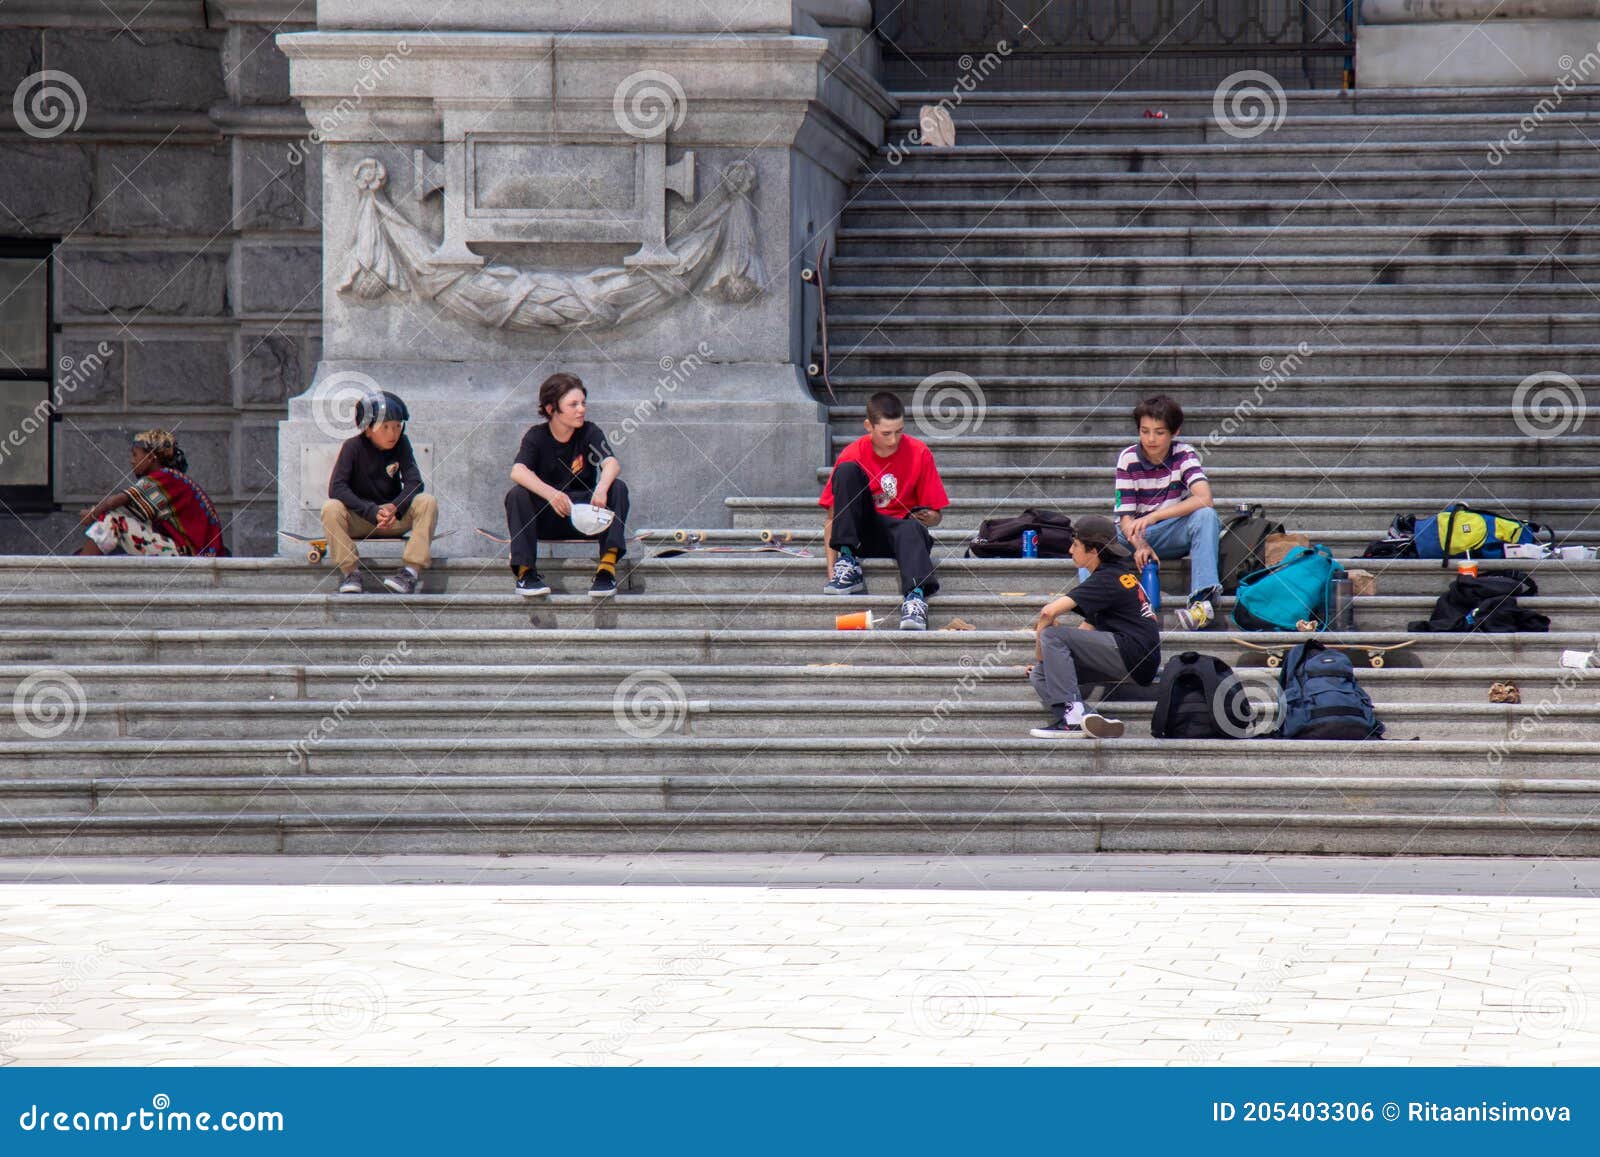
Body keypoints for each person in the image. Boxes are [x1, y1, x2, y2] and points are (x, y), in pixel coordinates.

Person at [818, 391, 948, 631]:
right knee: (847, 471)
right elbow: (831, 517)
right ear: (869, 426)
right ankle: (848, 563)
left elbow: (936, 515)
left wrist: (930, 517)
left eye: (899, 431)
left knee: (911, 527)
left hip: (902, 535)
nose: (893, 440)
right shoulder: (852, 453)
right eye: (886, 433)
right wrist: (832, 571)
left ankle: (915, 599)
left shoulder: (919, 452)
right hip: (861, 535)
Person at [1029, 515, 1161, 739]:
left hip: (1132, 653)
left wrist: (1043, 635)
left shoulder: (1106, 579)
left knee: (1052, 634)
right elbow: (1084, 634)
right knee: (1040, 674)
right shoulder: (1115, 574)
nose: (1070, 550)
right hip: (1136, 658)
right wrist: (1049, 660)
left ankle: (1071, 720)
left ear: (1094, 551)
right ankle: (1088, 720)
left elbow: (1048, 612)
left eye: (1076, 545)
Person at [505, 372, 629, 599]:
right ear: (552, 409)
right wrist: (552, 495)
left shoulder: (590, 432)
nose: (581, 409)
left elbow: (611, 463)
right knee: (517, 494)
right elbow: (518, 471)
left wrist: (601, 487)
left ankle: (606, 570)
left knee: (617, 487)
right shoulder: (536, 436)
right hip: (548, 517)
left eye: (583, 403)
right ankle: (526, 574)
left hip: (585, 518)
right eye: (573, 404)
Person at [1114, 394, 1222, 631]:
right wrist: (1140, 544)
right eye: (1145, 431)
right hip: (1133, 535)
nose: (1151, 439)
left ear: (1175, 432)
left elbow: (1205, 498)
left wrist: (1154, 517)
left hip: (1171, 532)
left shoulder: (1184, 454)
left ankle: (1202, 604)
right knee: (1091, 536)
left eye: (1159, 432)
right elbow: (1126, 518)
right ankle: (1096, 612)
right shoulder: (1128, 458)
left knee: (1206, 516)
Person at [320, 390, 438, 595]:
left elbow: (415, 482)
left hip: (392, 519)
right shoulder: (353, 447)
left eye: (397, 427)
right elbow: (337, 487)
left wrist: (395, 507)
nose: (393, 433)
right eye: (385, 427)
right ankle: (351, 572)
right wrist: (371, 511)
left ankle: (410, 573)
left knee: (427, 501)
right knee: (330, 508)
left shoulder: (402, 444)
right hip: (361, 517)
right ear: (367, 429)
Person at [76, 429, 226, 557]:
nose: (131, 461)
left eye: (135, 455)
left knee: (114, 521)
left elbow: (116, 501)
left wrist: (93, 514)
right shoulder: (174, 478)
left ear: (150, 457)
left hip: (190, 554)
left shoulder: (164, 477)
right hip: (199, 552)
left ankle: (76, 572)